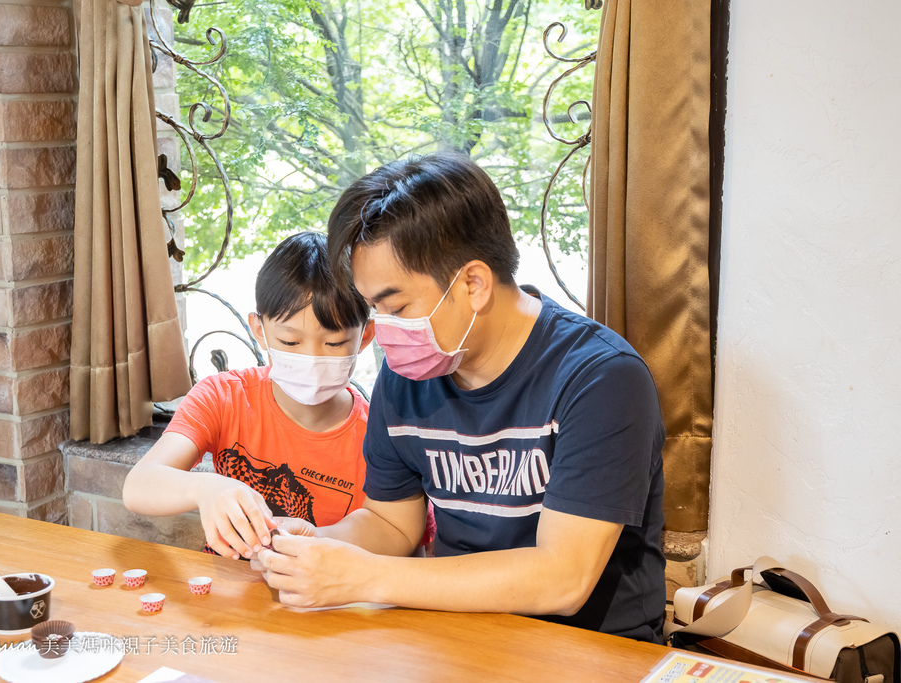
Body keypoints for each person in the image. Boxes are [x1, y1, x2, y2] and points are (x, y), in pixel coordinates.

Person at [252, 153, 667, 643]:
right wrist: (312, 548)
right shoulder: (409, 373)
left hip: (589, 649)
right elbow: (392, 522)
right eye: (373, 310)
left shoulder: (600, 379)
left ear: (473, 283)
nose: (383, 331)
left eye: (397, 306)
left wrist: (362, 577)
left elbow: (563, 578)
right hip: (454, 637)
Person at [122, 231, 376, 560]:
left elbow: (391, 532)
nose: (312, 358)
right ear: (259, 330)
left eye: (335, 344)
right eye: (289, 342)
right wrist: (205, 488)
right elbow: (139, 485)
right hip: (227, 592)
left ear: (365, 336)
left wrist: (317, 542)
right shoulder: (223, 397)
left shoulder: (375, 436)